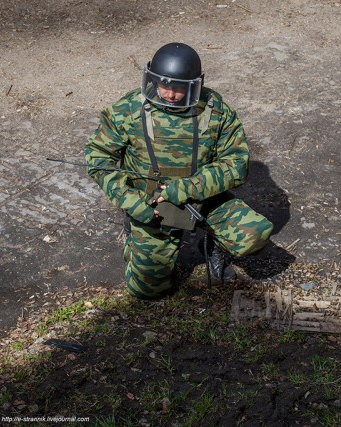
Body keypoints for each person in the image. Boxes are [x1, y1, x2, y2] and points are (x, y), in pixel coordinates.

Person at [84, 42, 273, 298]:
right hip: (150, 204)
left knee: (255, 234)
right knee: (148, 291)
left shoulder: (215, 110)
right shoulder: (127, 110)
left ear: (195, 83)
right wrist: (131, 203)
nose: (171, 94)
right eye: (165, 85)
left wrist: (187, 188)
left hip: (201, 197)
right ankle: (137, 241)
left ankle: (214, 247)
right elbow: (98, 157)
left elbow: (236, 164)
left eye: (179, 87)